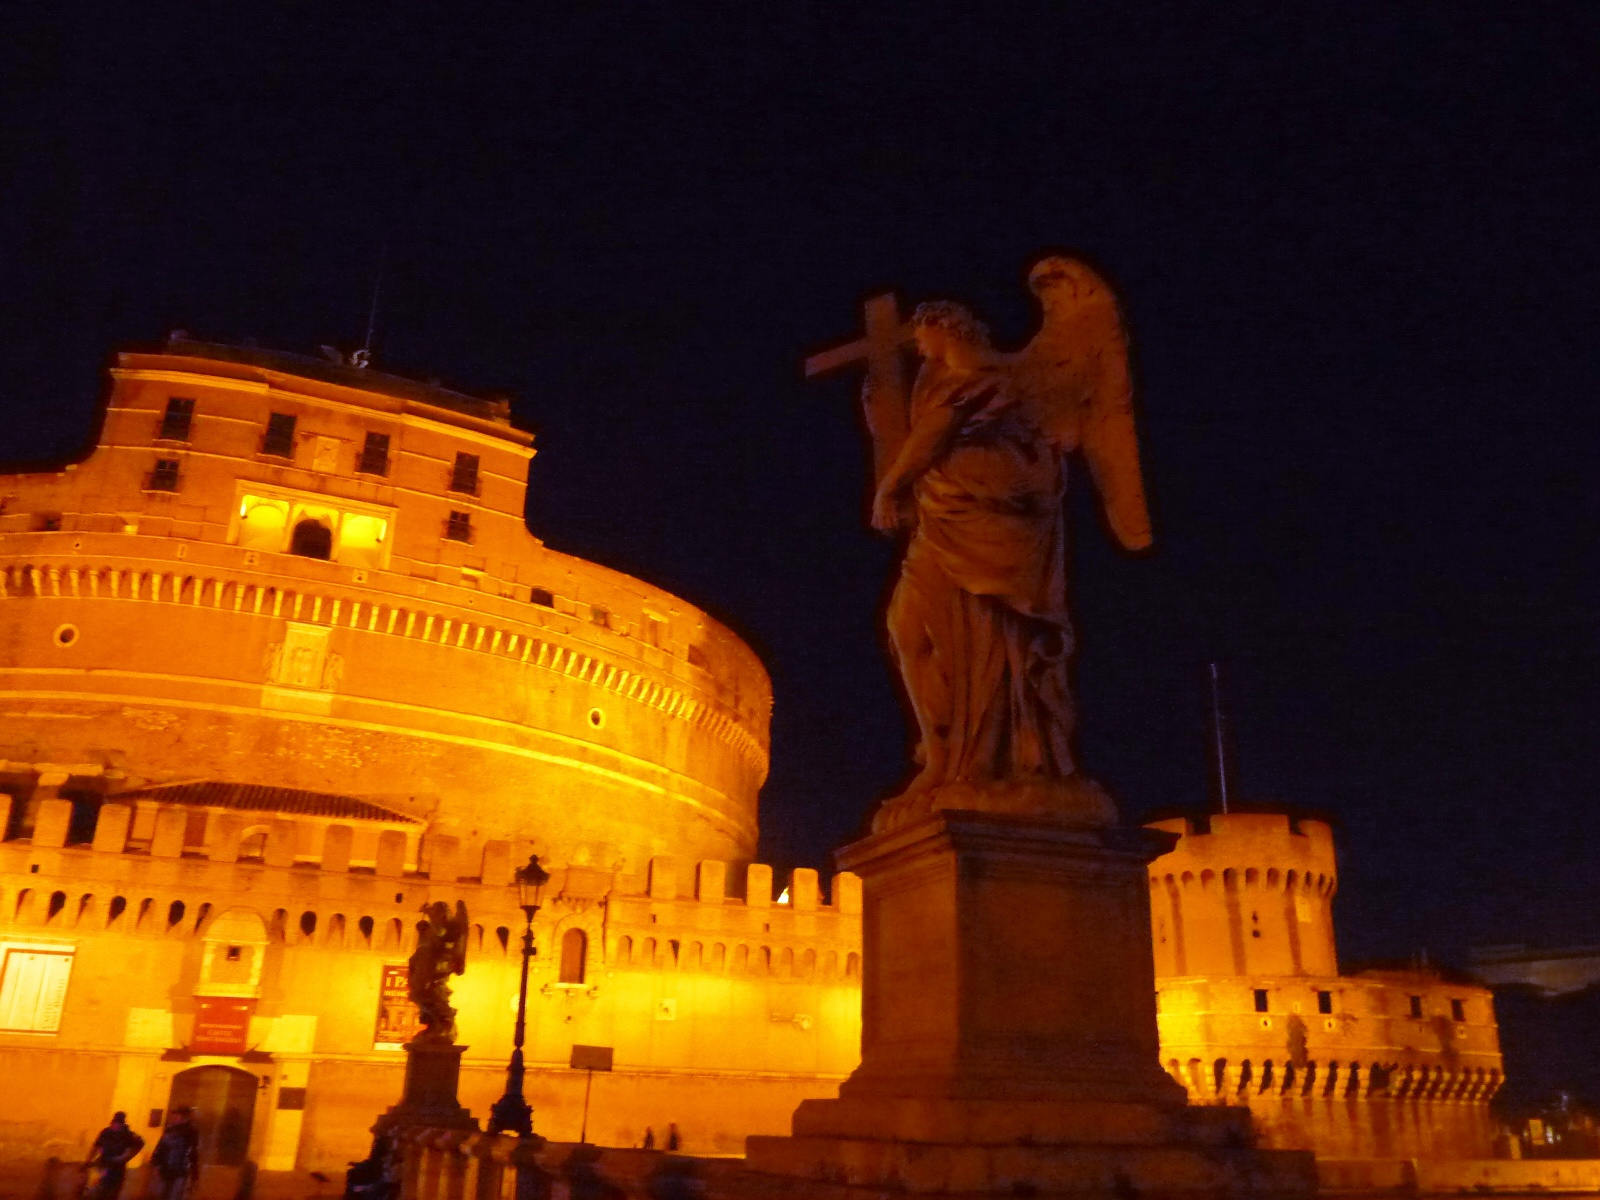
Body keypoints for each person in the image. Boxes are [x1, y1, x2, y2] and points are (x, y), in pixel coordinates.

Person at [872, 300, 1076, 791]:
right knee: (906, 628)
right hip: (942, 518)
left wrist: (889, 487)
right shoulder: (933, 381)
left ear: (945, 328)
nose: (918, 347)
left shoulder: (993, 376)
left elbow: (933, 434)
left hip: (993, 523)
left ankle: (983, 753)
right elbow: (916, 429)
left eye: (921, 335)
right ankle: (941, 750)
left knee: (990, 638)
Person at [85, 1112, 144, 1200]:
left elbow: (140, 1143)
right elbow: (96, 1146)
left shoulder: (127, 1134)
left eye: (118, 1123)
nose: (116, 1125)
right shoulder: (106, 1132)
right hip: (104, 1165)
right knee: (98, 1191)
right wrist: (88, 1160)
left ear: (122, 1124)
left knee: (112, 1193)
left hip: (117, 1168)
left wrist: (127, 1157)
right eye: (115, 1123)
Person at [148, 1108, 201, 1200]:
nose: (173, 1118)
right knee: (163, 1194)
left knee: (173, 1195)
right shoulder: (170, 1130)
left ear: (183, 1117)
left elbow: (193, 1153)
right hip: (167, 1170)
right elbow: (161, 1147)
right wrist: (156, 1164)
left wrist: (194, 1175)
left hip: (179, 1171)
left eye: (176, 1116)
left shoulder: (190, 1132)